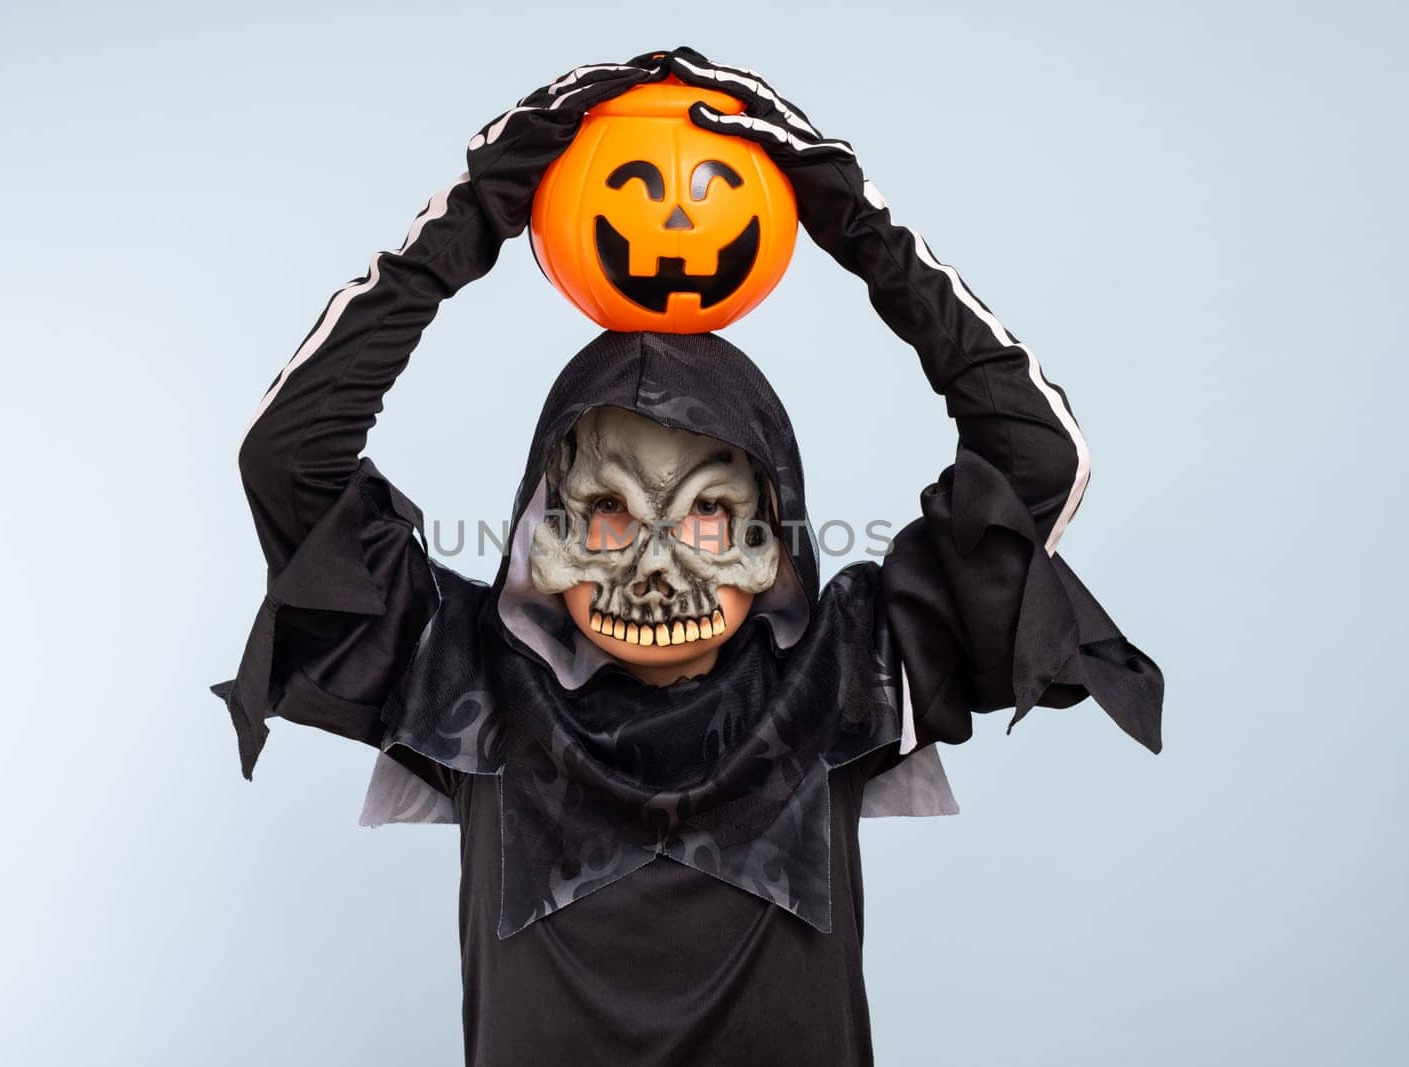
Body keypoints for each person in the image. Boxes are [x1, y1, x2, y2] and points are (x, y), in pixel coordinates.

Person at [211, 47, 1163, 1067]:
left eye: (709, 514)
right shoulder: (466, 675)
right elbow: (291, 457)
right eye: (608, 515)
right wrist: (479, 207)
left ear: (776, 538)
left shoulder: (845, 673)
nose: (656, 568)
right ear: (541, 538)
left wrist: (853, 217)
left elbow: (1038, 461)